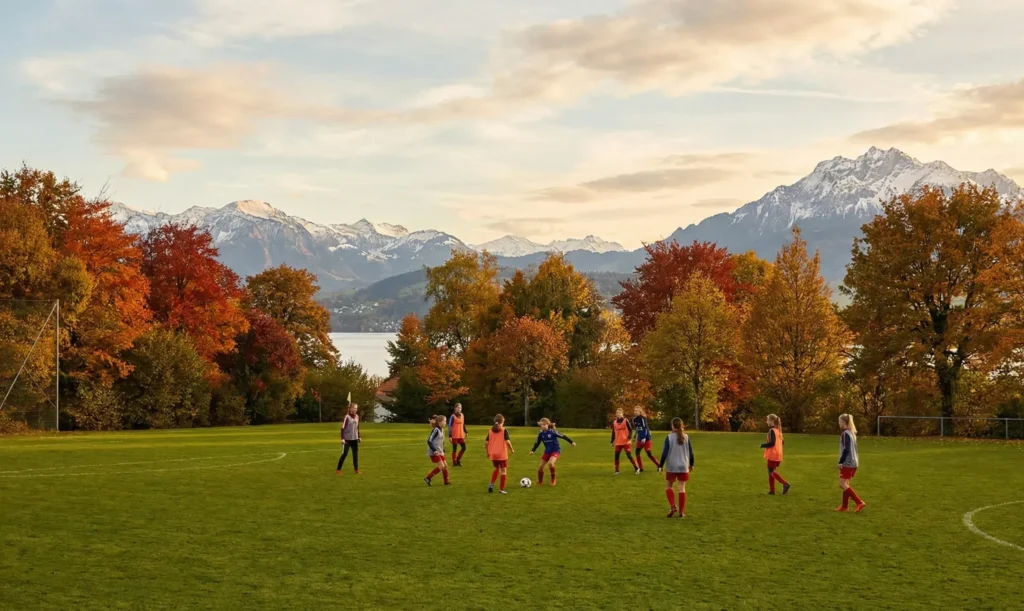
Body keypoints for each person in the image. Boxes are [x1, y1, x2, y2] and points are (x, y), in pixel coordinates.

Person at [658, 417, 694, 518]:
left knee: (669, 486)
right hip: (683, 465)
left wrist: (660, 465)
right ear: (682, 426)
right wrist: (692, 463)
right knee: (682, 488)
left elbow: (665, 453)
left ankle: (673, 506)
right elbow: (691, 452)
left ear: (673, 426)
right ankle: (681, 512)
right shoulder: (686, 437)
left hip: (672, 465)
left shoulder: (669, 437)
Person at [529, 418, 576, 486]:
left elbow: (563, 436)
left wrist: (571, 442)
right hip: (547, 451)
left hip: (556, 450)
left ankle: (553, 479)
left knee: (551, 463)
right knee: (540, 467)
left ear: (548, 424)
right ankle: (540, 481)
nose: (543, 426)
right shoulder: (540, 433)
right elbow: (537, 443)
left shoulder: (552, 432)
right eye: (541, 425)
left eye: (544, 424)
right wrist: (533, 450)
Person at [836, 413, 865, 513]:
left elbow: (846, 449)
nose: (839, 423)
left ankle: (859, 502)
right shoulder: (852, 433)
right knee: (846, 483)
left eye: (839, 421)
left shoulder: (845, 434)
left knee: (842, 483)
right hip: (854, 462)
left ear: (843, 422)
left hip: (848, 462)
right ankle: (844, 507)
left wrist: (841, 461)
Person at [760, 414, 790, 495]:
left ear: (772, 421)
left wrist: (763, 445)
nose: (766, 422)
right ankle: (772, 491)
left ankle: (785, 483)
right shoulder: (778, 431)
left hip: (773, 454)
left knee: (771, 472)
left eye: (767, 420)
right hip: (778, 454)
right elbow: (782, 442)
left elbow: (772, 443)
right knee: (771, 471)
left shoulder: (772, 430)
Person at [485, 414, 515, 494]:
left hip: (493, 454)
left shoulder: (490, 430)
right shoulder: (504, 430)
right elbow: (507, 441)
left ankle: (491, 484)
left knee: (497, 469)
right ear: (502, 422)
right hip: (501, 454)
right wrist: (512, 449)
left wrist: (487, 452)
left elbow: (486, 443)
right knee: (503, 471)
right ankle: (501, 490)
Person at [610, 408, 640, 475]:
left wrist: (629, 438)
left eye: (619, 413)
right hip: (618, 442)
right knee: (616, 457)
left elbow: (630, 429)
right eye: (617, 413)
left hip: (626, 442)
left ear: (622, 414)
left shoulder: (625, 420)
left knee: (629, 456)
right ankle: (617, 471)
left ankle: (637, 468)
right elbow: (613, 432)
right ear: (616, 414)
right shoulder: (614, 422)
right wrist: (612, 441)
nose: (618, 414)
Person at [424, 415, 451, 486]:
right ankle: (428, 478)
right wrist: (434, 450)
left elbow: (441, 442)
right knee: (441, 466)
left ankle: (446, 482)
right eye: (444, 421)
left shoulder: (442, 430)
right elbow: (429, 441)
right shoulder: (436, 430)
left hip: (440, 451)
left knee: (445, 466)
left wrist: (443, 450)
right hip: (434, 452)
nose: (445, 422)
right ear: (439, 422)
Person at [631, 406, 660, 472]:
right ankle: (641, 468)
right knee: (637, 453)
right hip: (639, 439)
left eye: (637, 411)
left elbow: (645, 428)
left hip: (646, 439)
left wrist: (644, 438)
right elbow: (637, 429)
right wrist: (635, 436)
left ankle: (658, 465)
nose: (635, 412)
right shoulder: (633, 419)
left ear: (640, 412)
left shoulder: (643, 418)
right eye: (635, 411)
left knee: (648, 453)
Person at [336, 403, 361, 474]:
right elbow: (342, 428)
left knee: (355, 455)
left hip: (355, 439)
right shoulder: (347, 417)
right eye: (354, 408)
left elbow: (357, 427)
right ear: (350, 408)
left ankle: (356, 470)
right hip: (347, 440)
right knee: (344, 454)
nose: (356, 409)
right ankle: (338, 469)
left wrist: (359, 436)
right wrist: (342, 438)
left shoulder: (357, 417)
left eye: (356, 408)